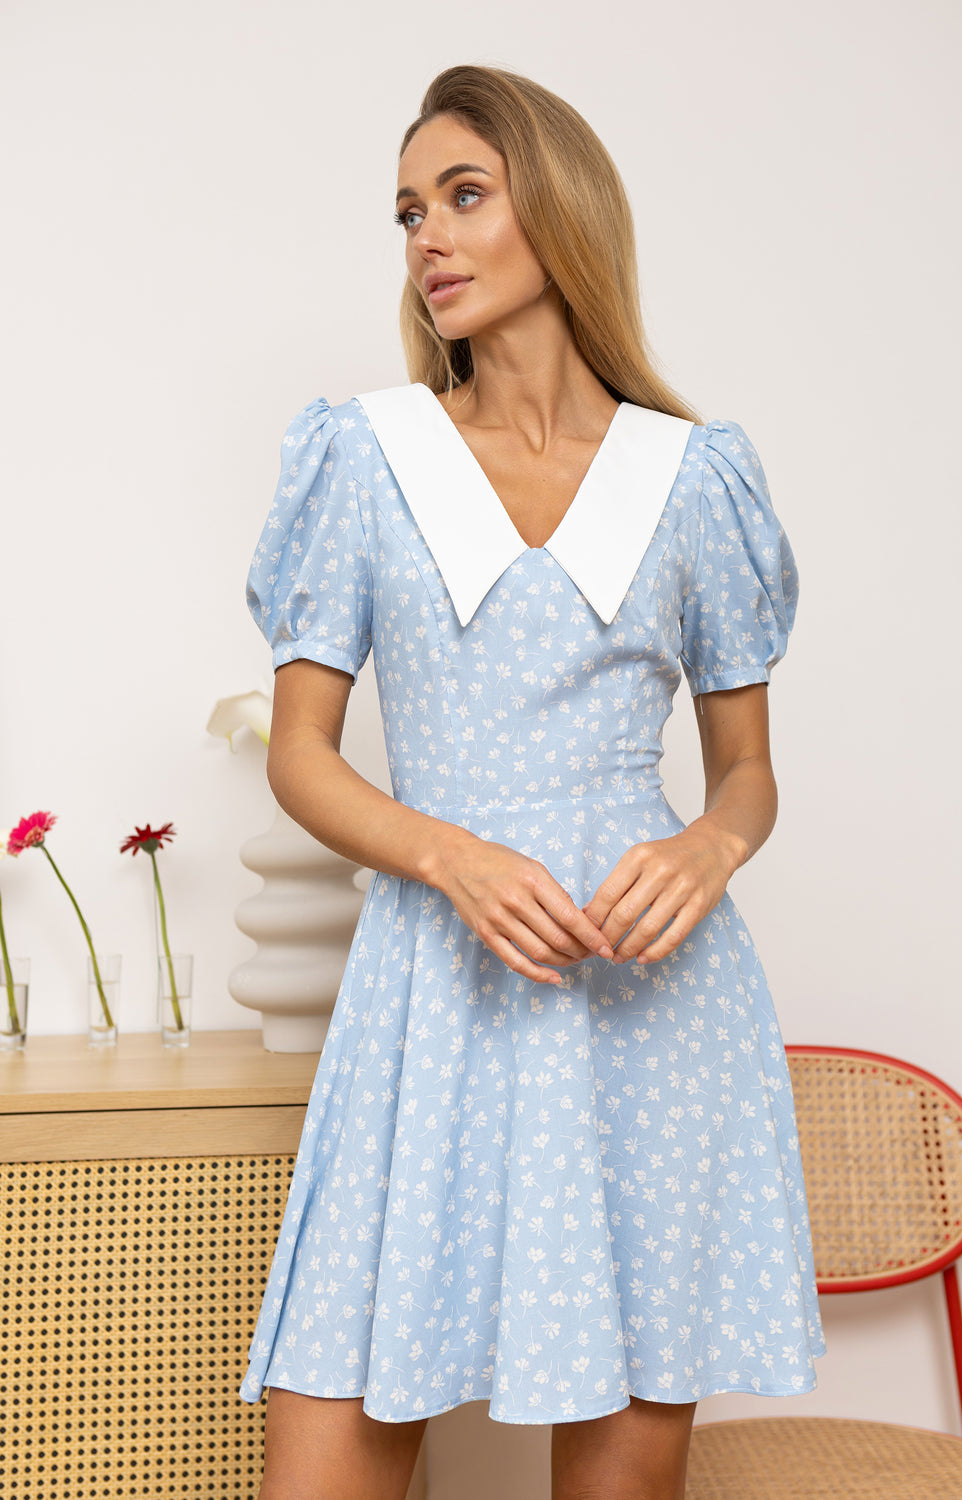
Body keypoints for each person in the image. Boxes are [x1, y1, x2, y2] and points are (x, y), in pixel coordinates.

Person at [241, 63, 825, 1500]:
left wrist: (710, 848)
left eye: (463, 195)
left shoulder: (694, 478)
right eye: (407, 213)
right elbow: (300, 752)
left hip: (647, 998)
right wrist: (450, 856)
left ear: (558, 209)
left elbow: (746, 773)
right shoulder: (366, 456)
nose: (427, 239)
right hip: (434, 983)